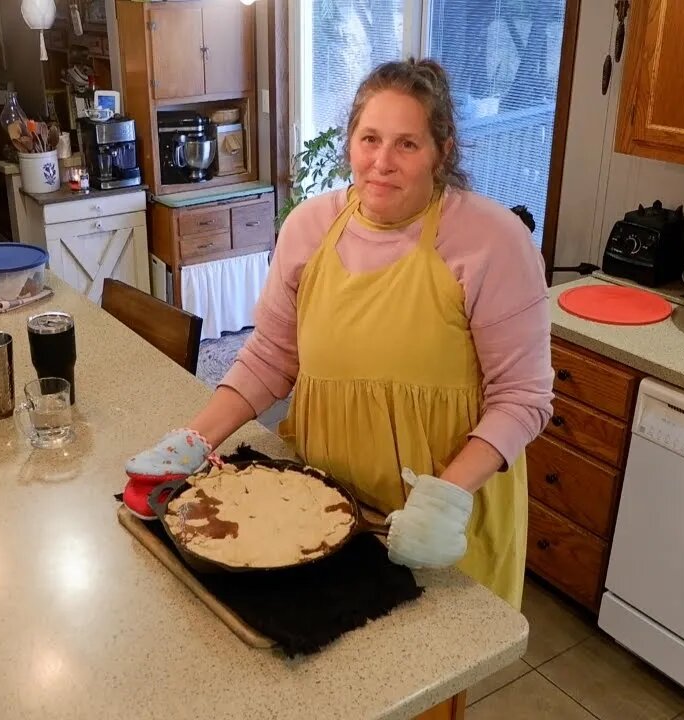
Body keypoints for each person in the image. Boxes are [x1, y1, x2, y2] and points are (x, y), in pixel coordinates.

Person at [124, 59, 552, 609]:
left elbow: (524, 397)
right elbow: (272, 357)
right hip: (324, 500)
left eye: (408, 144)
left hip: (444, 514)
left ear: (442, 153)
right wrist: (196, 438)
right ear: (350, 142)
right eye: (369, 138)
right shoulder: (309, 226)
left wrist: (443, 499)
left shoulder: (493, 241)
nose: (382, 162)